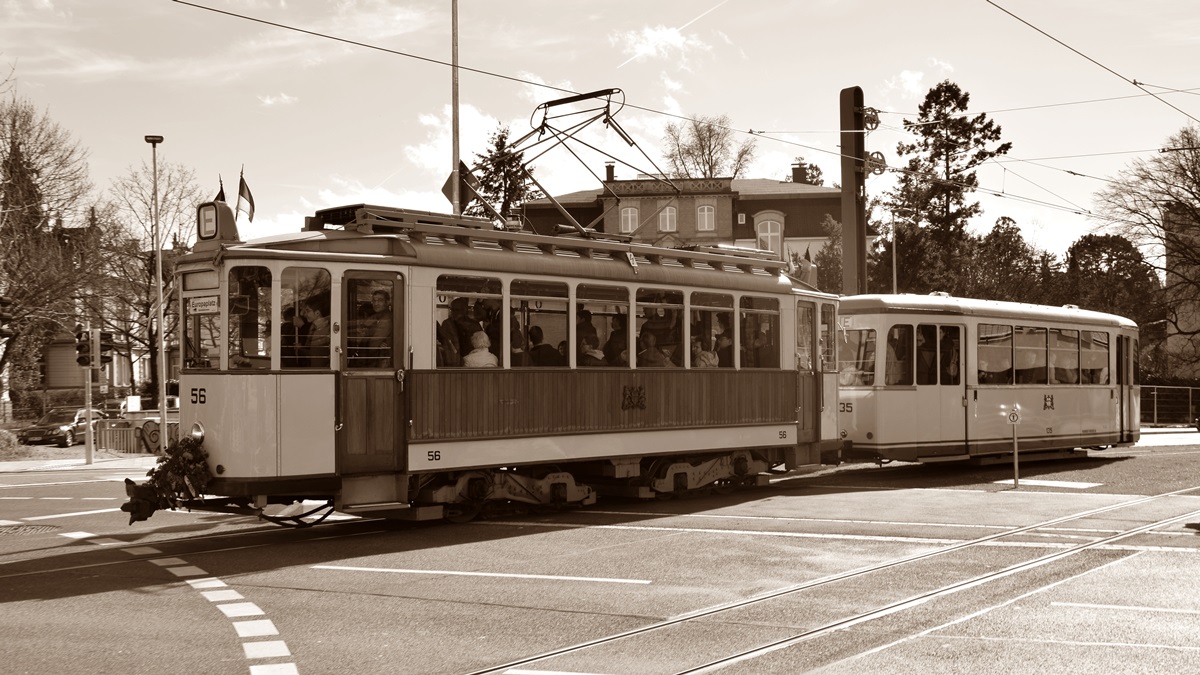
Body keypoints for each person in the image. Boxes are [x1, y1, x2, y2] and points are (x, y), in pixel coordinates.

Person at [361, 289, 393, 366]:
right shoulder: (377, 315)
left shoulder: (386, 318)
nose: (376, 303)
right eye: (374, 300)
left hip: (380, 359)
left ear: (387, 302)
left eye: (380, 300)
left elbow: (374, 343)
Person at [301, 299, 330, 367]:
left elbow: (316, 352)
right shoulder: (315, 328)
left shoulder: (323, 330)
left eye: (308, 310)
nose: (304, 314)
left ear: (317, 313)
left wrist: (300, 349)